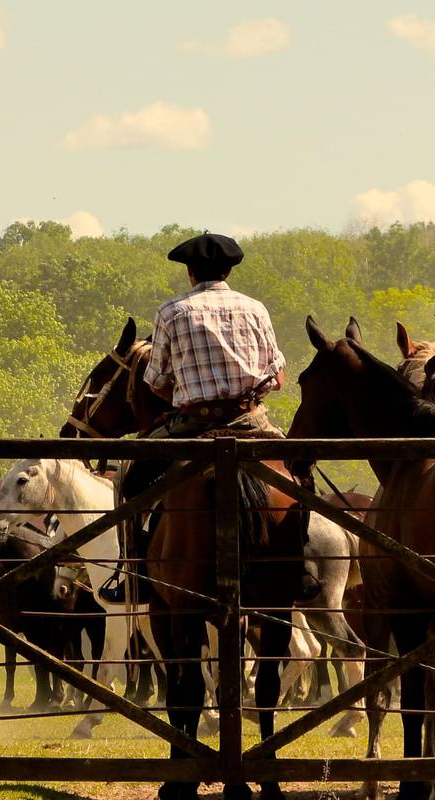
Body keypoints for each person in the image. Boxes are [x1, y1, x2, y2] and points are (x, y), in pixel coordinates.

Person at [97, 232, 286, 604]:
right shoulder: (256, 308)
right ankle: (303, 562)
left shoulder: (172, 311)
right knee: (298, 473)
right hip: (251, 420)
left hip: (194, 424)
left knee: (129, 484)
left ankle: (133, 573)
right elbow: (277, 377)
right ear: (230, 269)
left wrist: (185, 395)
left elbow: (155, 382)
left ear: (190, 272)